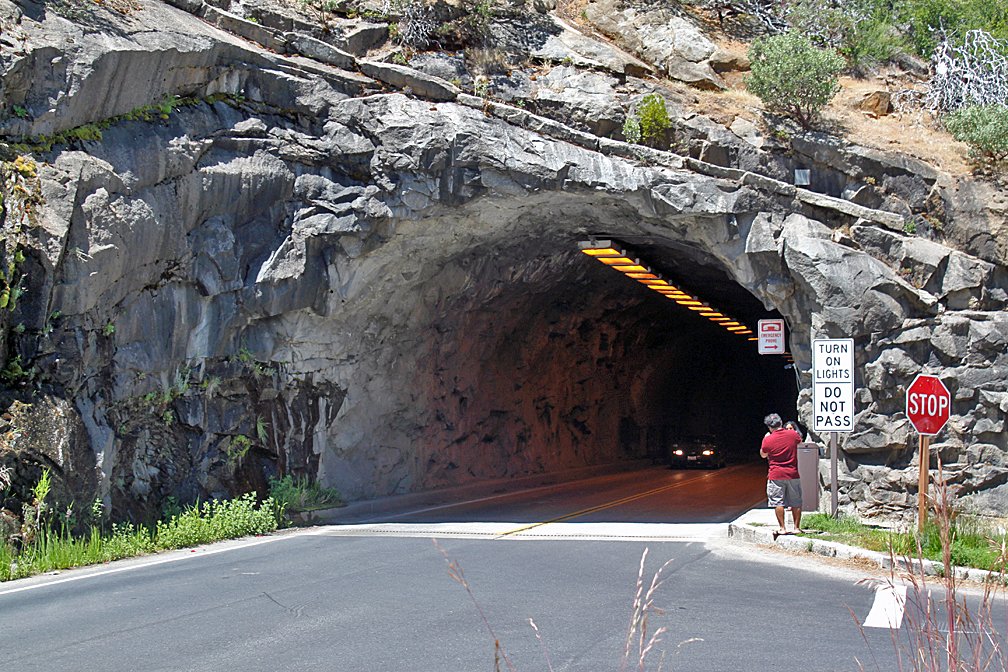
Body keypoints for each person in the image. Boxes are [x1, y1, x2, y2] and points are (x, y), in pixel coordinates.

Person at [760, 413, 803, 536]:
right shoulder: (792, 434)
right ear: (781, 423)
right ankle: (796, 528)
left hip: (776, 475)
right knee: (796, 501)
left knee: (778, 502)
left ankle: (782, 528)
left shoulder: (768, 439)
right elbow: (799, 442)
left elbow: (763, 454)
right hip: (792, 473)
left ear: (769, 427)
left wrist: (765, 438)